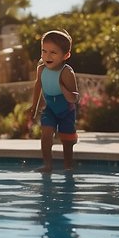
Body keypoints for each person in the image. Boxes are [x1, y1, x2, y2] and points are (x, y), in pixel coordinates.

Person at [26, 29, 80, 173]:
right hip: (50, 108)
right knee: (46, 135)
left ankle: (68, 166)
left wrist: (64, 90)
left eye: (53, 52)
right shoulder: (41, 69)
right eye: (44, 51)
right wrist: (34, 106)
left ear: (66, 55)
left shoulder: (66, 72)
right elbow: (38, 85)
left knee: (67, 141)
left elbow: (74, 97)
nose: (47, 56)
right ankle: (47, 165)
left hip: (66, 110)